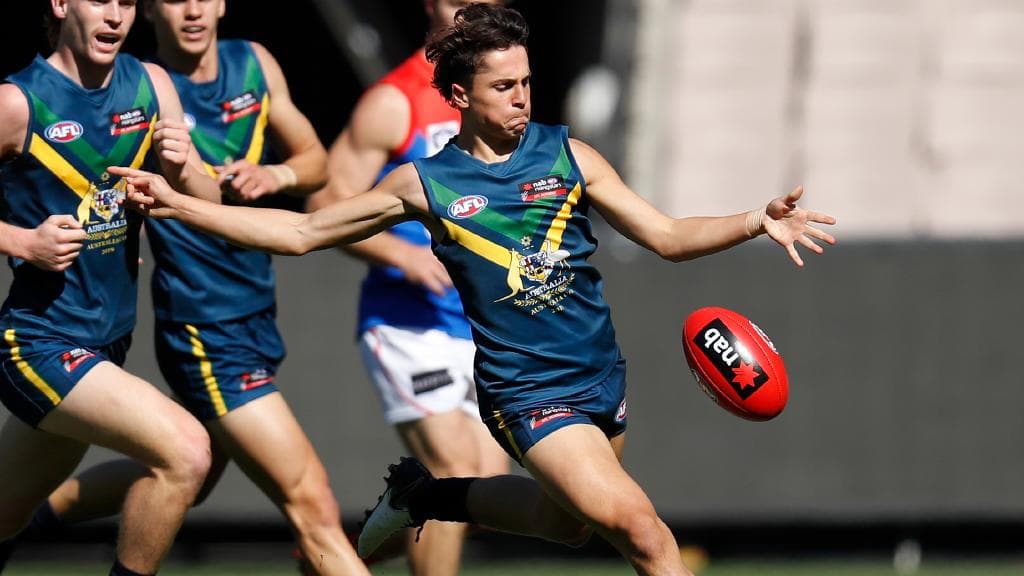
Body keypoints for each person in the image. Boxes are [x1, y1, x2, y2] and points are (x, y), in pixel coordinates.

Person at [113, 5, 837, 575]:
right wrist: (180, 205)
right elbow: (302, 234)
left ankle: (426, 495)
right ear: (459, 94)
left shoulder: (568, 154)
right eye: (502, 87)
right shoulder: (426, 183)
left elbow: (668, 236)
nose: (522, 98)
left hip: (599, 379)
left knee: (568, 526)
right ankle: (432, 493)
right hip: (528, 393)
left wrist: (754, 220)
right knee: (645, 533)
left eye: (525, 82)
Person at [15, 1, 370, 575]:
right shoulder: (95, 93)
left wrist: (265, 174)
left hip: (236, 316)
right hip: (197, 328)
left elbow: (307, 167)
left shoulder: (228, 69)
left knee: (190, 474)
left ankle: (24, 518)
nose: (193, 11)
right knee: (305, 498)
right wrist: (25, 239)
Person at [0, 1, 225, 575]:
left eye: (126, 2)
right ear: (59, 4)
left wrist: (182, 171)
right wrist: (23, 243)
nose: (115, 16)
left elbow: (210, 202)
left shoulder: (149, 83)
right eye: (100, 0)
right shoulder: (16, 102)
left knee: (4, 515)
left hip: (108, 339)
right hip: (39, 342)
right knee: (188, 453)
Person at [306, 1, 508, 573]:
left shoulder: (503, 94)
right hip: (409, 325)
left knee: (483, 496)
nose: (473, 14)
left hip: (482, 324)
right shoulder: (395, 100)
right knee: (453, 468)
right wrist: (400, 253)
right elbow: (324, 203)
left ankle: (346, 550)